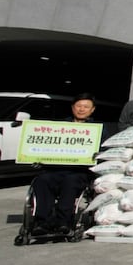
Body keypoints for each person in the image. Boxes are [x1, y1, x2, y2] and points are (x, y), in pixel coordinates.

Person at [30, 92, 98, 236]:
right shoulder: (59, 127)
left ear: (92, 110)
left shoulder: (97, 130)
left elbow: (102, 151)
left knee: (70, 181)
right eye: (78, 106)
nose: (81, 109)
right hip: (55, 169)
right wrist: (37, 159)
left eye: (86, 107)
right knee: (42, 180)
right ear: (73, 107)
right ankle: (42, 222)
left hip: (79, 172)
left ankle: (63, 221)